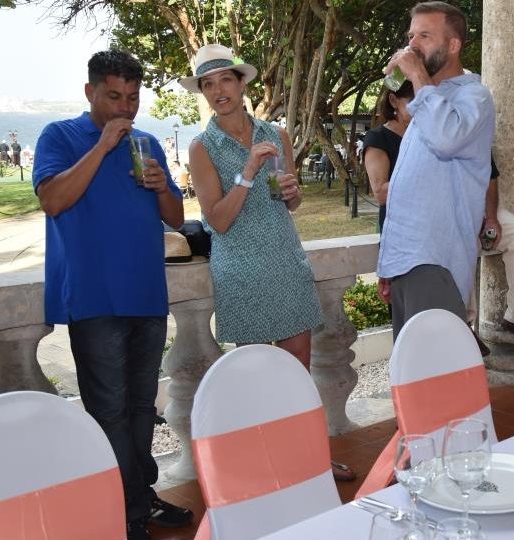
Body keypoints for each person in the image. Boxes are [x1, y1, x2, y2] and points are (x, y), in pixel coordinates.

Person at [32, 50, 189, 540]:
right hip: (94, 297)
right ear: (90, 93)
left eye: (134, 97)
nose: (126, 107)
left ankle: (139, 497)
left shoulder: (147, 142)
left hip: (146, 292)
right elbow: (53, 200)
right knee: (108, 410)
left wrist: (164, 187)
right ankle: (120, 509)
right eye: (115, 96)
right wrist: (101, 148)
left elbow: (177, 219)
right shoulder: (59, 136)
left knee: (144, 407)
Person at [181, 43, 355, 483]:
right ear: (202, 92)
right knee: (255, 374)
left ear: (242, 84)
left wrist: (293, 194)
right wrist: (247, 174)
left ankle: (308, 458)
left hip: (283, 256)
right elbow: (217, 221)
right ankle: (261, 465)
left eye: (225, 80)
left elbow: (288, 203)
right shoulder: (203, 148)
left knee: (298, 371)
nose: (218, 90)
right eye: (208, 84)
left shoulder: (275, 135)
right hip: (241, 267)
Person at [377, 1, 496, 339]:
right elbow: (409, 184)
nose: (413, 45)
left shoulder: (474, 96)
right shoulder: (427, 98)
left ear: (453, 45)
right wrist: (390, 263)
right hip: (408, 259)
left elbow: (446, 139)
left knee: (438, 374)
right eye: (411, 36)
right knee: (413, 375)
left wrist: (416, 75)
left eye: (425, 36)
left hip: (436, 259)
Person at [476, 159, 514, 337]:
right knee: (464, 245)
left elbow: (491, 179)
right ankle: (465, 324)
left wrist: (492, 218)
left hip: (483, 210)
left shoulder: (480, 138)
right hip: (454, 213)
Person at [363, 80, 414, 233]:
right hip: (400, 231)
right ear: (393, 100)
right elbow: (381, 193)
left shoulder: (429, 134)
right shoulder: (378, 138)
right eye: (414, 101)